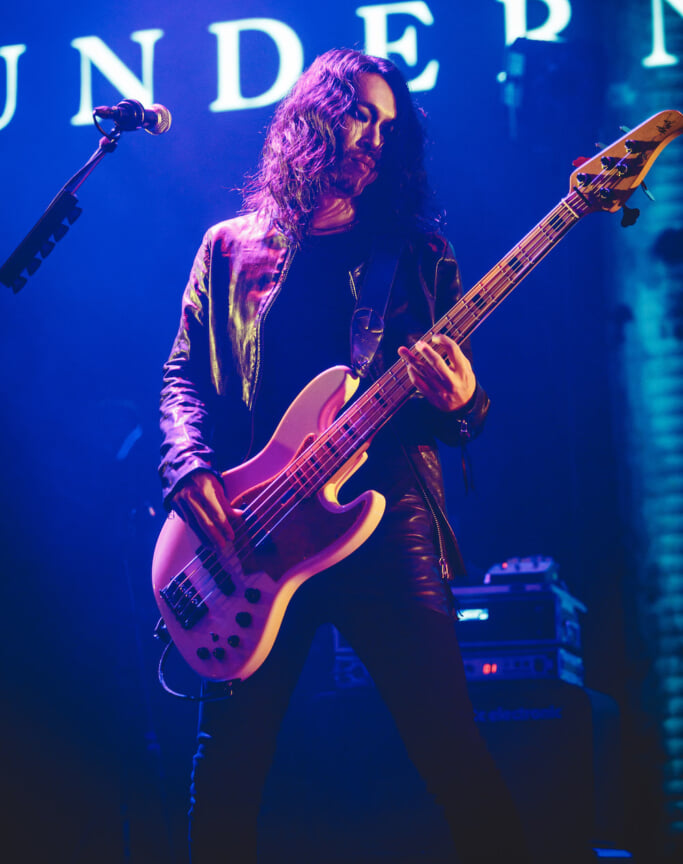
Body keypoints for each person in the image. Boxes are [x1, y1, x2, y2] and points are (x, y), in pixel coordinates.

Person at [159, 49, 530, 862]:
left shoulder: (417, 255)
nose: (374, 138)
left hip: (384, 524)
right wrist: (186, 465)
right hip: (252, 530)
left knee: (451, 751)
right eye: (360, 114)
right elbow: (184, 374)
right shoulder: (228, 249)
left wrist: (462, 400)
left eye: (388, 126)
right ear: (311, 116)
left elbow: (457, 419)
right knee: (227, 768)